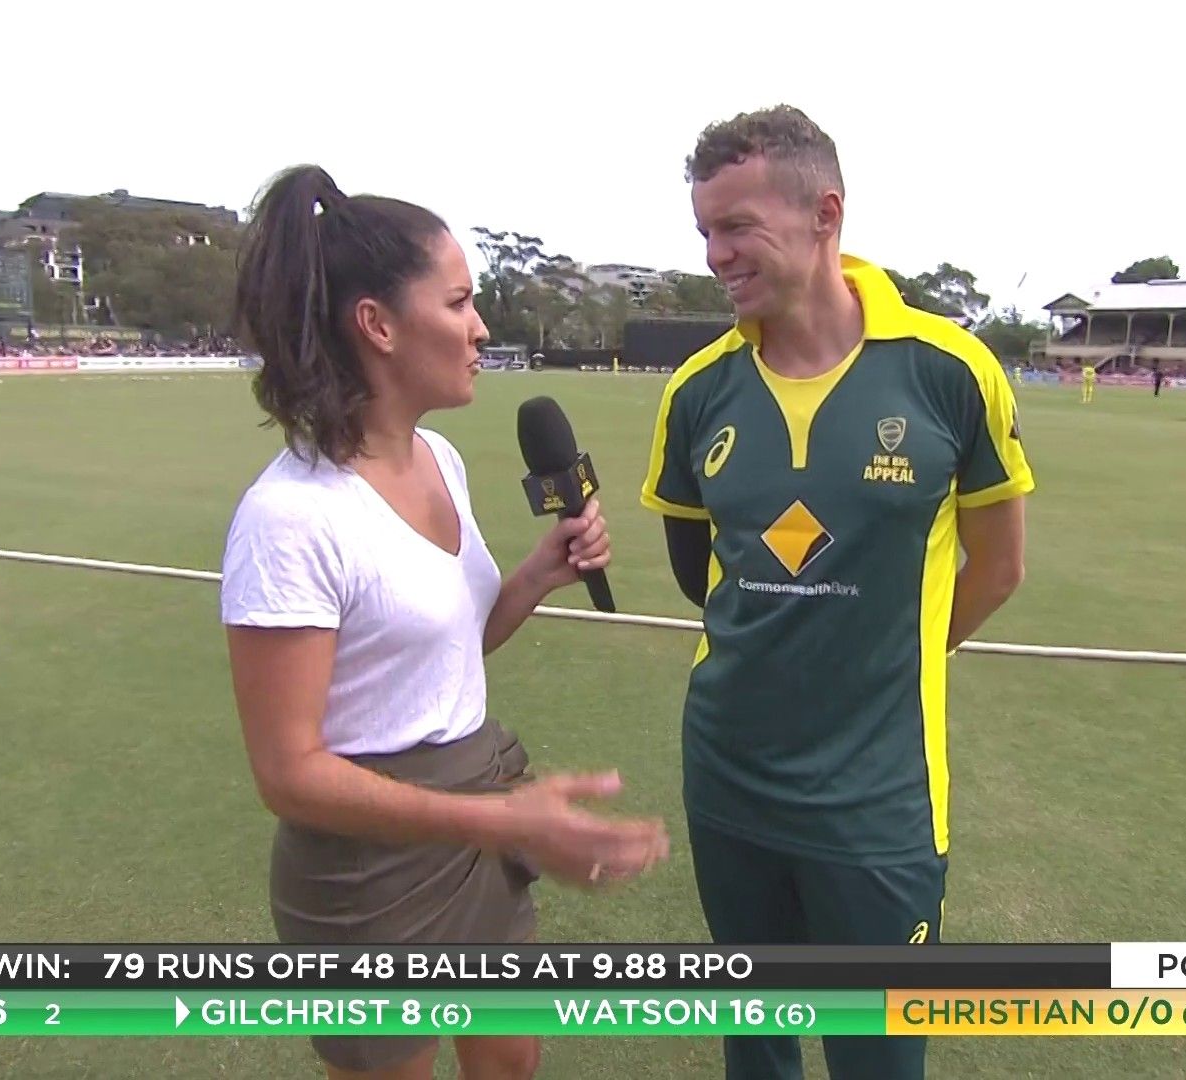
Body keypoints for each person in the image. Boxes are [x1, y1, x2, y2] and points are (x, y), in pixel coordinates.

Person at [223, 164, 669, 1080]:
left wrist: (534, 577)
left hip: (476, 823)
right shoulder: (291, 518)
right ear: (378, 325)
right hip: (369, 871)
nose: (481, 327)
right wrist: (499, 820)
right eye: (460, 302)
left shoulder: (440, 458)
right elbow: (288, 774)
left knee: (510, 1064)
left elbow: (445, 651)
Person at [641, 106, 1033, 1080]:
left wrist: (884, 653)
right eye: (704, 232)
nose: (716, 255)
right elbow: (700, 577)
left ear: (825, 214)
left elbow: (999, 566)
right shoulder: (697, 391)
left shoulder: (949, 372)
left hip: (879, 801)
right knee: (757, 1047)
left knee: (879, 1062)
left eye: (738, 227)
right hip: (728, 780)